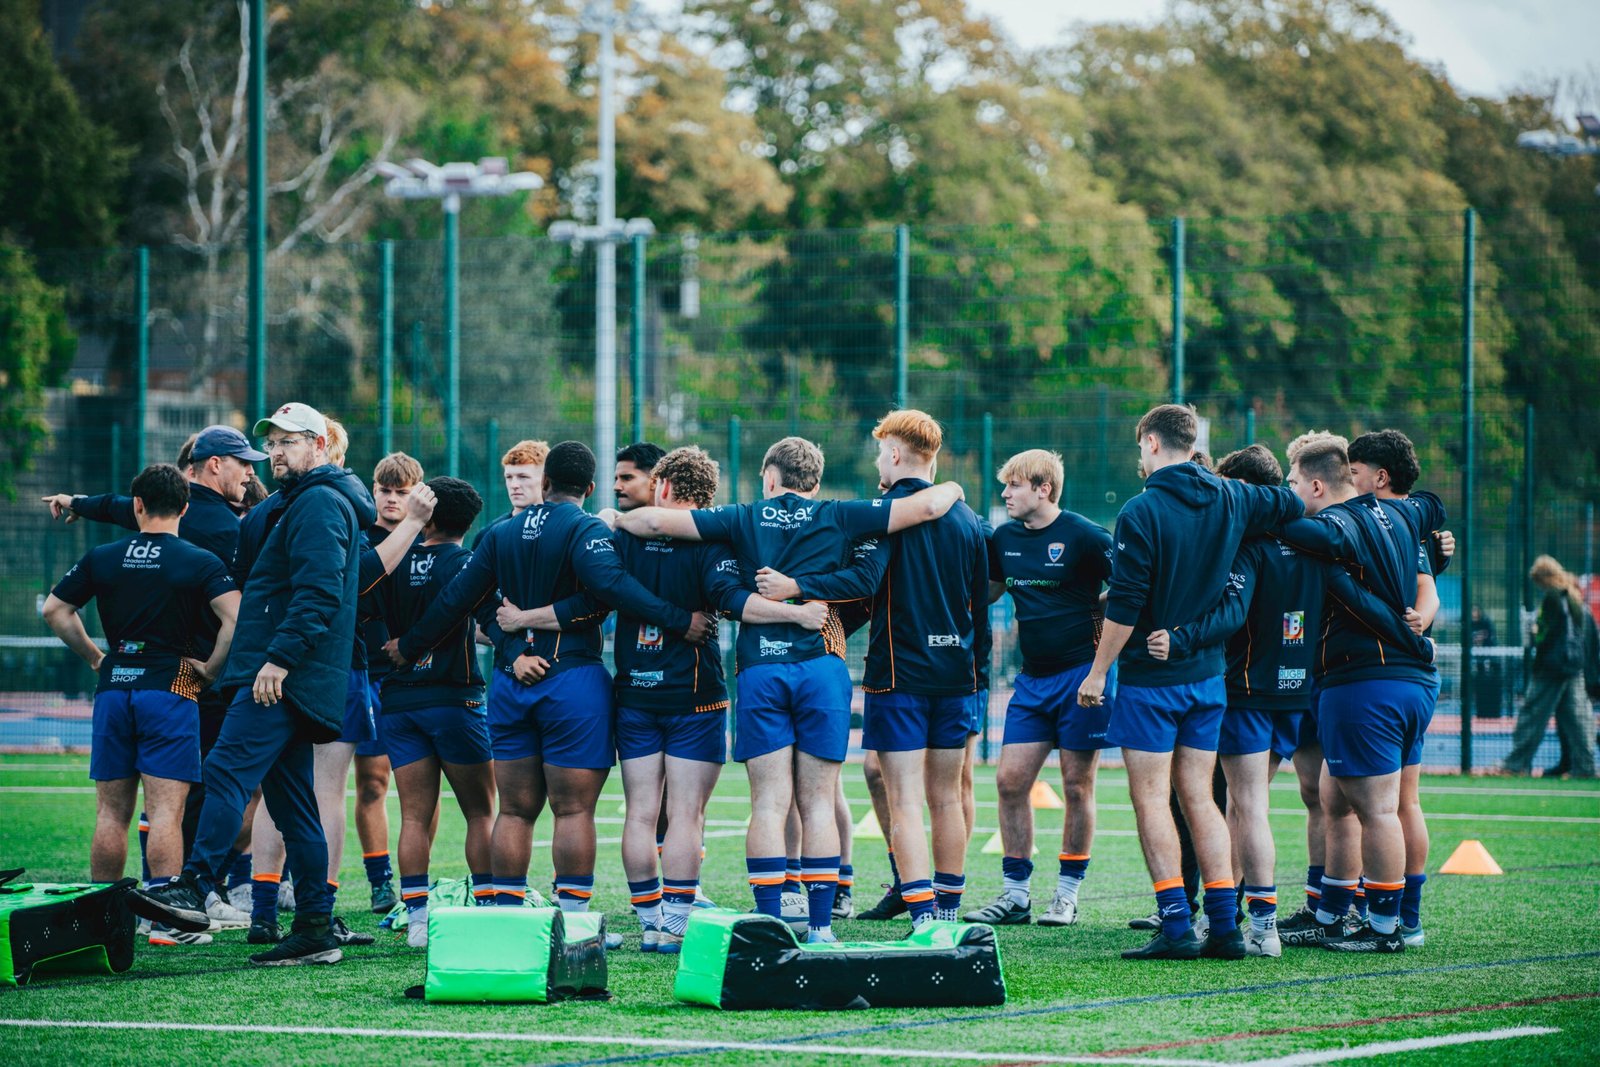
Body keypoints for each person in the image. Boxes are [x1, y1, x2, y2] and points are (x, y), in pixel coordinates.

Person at [608, 436, 964, 941]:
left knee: (770, 802)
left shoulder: (742, 516)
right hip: (821, 664)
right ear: (814, 484)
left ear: (768, 476)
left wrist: (613, 519)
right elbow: (927, 505)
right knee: (818, 800)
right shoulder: (840, 515)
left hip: (761, 669)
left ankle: (771, 923)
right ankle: (820, 929)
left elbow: (653, 520)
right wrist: (953, 485)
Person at [391, 442, 708, 946]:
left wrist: (408, 647)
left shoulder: (499, 533)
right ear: (588, 486)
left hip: (511, 684)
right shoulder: (585, 528)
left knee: (514, 810)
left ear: (544, 482)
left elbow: (459, 599)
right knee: (573, 811)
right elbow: (609, 588)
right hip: (571, 682)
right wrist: (677, 619)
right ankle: (573, 926)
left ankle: (510, 924)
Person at [515, 446, 827, 950]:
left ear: (662, 487)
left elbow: (604, 589)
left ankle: (648, 920)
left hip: (635, 691)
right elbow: (730, 599)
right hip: (695, 695)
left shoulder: (622, 537)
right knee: (685, 814)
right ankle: (677, 920)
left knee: (640, 811)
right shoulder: (715, 541)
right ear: (707, 496)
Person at [127, 402, 379, 967]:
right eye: (273, 442)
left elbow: (320, 592)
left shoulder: (318, 502)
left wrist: (279, 660)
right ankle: (314, 925)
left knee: (224, 770)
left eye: (290, 441)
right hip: (279, 672)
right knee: (293, 805)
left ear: (318, 445)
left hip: (281, 675)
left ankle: (195, 883)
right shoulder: (289, 504)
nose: (276, 451)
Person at [1076, 404, 1302, 961]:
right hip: (1208, 681)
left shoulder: (1141, 510)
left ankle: (1177, 925)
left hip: (1153, 681)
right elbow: (1293, 502)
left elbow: (1125, 605)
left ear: (1152, 443)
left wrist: (1098, 672)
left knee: (1151, 799)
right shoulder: (1232, 496)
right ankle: (1225, 927)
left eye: (1139, 448)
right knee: (1199, 797)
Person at [43, 426, 267, 898]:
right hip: (173, 686)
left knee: (111, 813)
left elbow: (54, 610)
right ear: (184, 507)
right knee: (168, 810)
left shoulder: (101, 556)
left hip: (114, 684)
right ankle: (166, 915)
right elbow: (237, 616)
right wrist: (211, 668)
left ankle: (102, 915)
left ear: (138, 506)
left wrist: (96, 657)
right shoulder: (201, 556)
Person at [1273, 432, 1438, 953]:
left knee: (1378, 808)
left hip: (1366, 681)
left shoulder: (1334, 526)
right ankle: (1333, 910)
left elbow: (1300, 537)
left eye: (1293, 482)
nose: (1288, 490)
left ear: (1317, 485)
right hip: (1406, 682)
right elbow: (1429, 515)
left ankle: (1386, 926)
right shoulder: (1402, 514)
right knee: (1336, 797)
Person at [965, 448, 1112, 929]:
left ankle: (1066, 895)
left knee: (1076, 784)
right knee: (1009, 782)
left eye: (1013, 485)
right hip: (1032, 681)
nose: (1005, 493)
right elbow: (987, 591)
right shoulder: (1003, 537)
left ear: (1042, 488)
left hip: (1080, 678)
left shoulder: (1087, 536)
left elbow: (1131, 587)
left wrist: (1102, 651)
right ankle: (1016, 895)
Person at [372, 477, 494, 947]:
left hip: (400, 701)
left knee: (415, 817)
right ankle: (486, 908)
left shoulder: (393, 559)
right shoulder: (466, 563)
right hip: (453, 699)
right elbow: (478, 621)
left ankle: (418, 921)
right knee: (481, 812)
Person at [353, 451, 427, 916]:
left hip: (418, 677)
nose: (393, 499)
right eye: (386, 490)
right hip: (367, 672)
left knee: (421, 788)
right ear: (374, 491)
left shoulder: (427, 539)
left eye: (402, 491)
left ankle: (418, 884)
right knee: (373, 781)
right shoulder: (360, 538)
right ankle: (381, 882)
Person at [1500, 556, 1596, 779]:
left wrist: (1534, 631)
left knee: (1532, 714)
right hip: (1572, 666)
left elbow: (1545, 633)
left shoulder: (1553, 596)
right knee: (1578, 719)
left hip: (1552, 667)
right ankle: (1585, 767)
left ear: (1543, 578)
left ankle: (1515, 764)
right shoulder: (1572, 594)